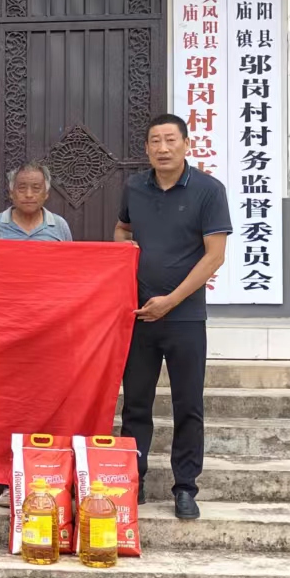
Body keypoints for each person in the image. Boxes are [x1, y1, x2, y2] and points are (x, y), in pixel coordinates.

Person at [114, 114, 230, 521]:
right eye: (155, 141)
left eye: (170, 140)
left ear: (186, 144)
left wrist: (171, 300)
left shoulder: (208, 190)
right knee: (135, 404)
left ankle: (185, 487)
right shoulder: (135, 187)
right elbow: (122, 230)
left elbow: (215, 256)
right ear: (146, 148)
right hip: (140, 316)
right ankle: (134, 481)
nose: (162, 148)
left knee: (188, 404)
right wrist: (127, 262)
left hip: (186, 318)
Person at [0, 162, 73, 243]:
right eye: (22, 188)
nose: (29, 195)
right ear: (11, 193)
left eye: (36, 188)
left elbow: (68, 256)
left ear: (46, 194)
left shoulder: (59, 225)